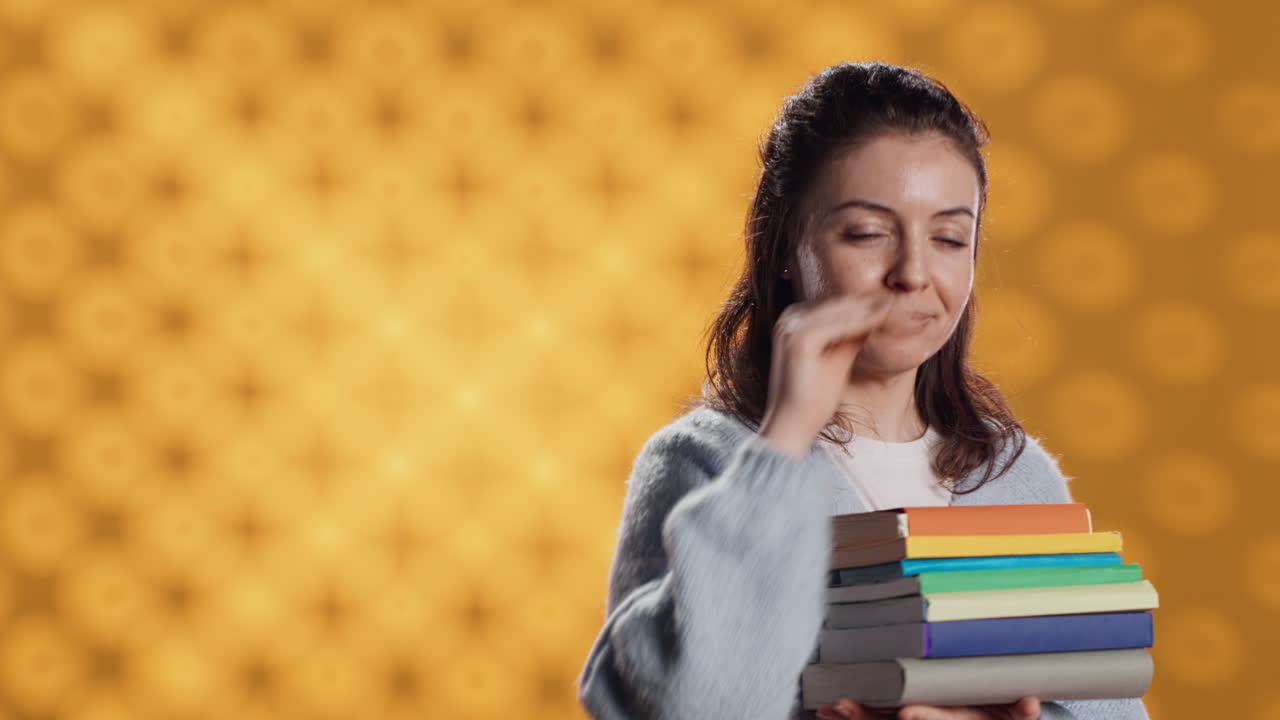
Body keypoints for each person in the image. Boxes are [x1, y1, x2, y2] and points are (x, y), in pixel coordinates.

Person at [576, 61, 1150, 720]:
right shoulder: (702, 464)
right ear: (788, 245)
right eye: (868, 234)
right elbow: (696, 704)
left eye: (948, 237)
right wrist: (786, 439)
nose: (912, 272)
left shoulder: (1014, 475)